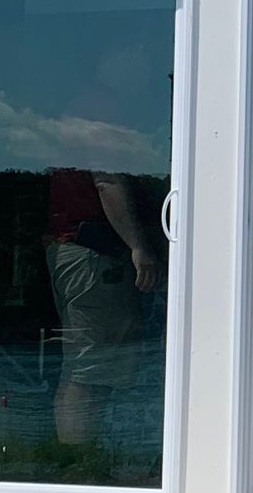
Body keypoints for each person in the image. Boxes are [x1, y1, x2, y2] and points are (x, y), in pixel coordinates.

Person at [43, 62, 163, 454]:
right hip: (93, 257)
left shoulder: (85, 106)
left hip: (79, 254)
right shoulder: (99, 107)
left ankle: (82, 459)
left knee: (93, 367)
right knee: (88, 369)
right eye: (138, 57)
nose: (145, 68)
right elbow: (107, 180)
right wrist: (138, 246)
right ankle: (76, 465)